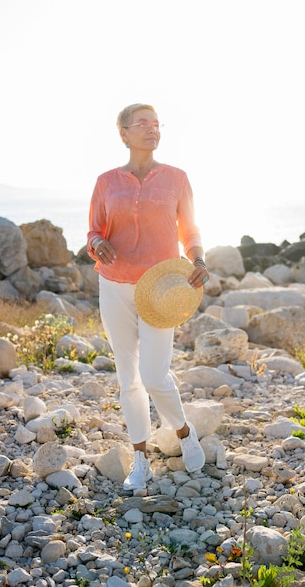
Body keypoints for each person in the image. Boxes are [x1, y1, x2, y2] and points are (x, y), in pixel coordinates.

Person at [87, 103, 210, 495]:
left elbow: (189, 228)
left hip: (160, 290)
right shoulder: (107, 181)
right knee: (129, 379)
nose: (152, 129)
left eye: (156, 124)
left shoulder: (176, 178)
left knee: (155, 375)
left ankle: (185, 432)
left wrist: (199, 259)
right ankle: (140, 459)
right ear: (123, 132)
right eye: (142, 124)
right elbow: (92, 231)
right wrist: (98, 243)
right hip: (115, 286)